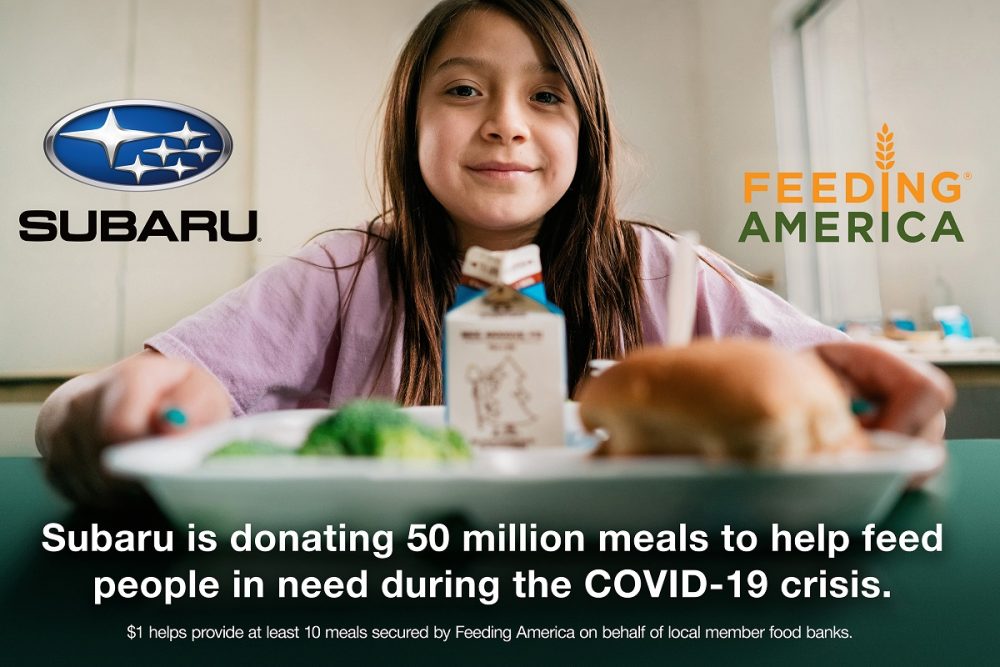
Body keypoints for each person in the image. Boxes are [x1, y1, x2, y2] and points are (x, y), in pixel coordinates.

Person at [36, 0, 954, 507]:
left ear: (586, 131)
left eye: (547, 97)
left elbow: (853, 398)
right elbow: (133, 393)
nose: (506, 124)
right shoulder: (342, 277)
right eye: (466, 89)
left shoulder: (671, 275)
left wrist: (889, 407)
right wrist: (96, 412)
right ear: (413, 125)